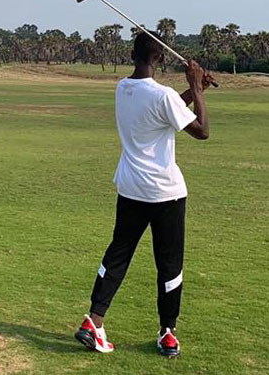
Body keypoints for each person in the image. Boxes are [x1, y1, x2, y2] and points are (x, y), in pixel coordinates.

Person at [74, 31, 213, 358]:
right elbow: (203, 131)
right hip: (166, 193)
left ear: (133, 54)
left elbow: (164, 110)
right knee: (169, 265)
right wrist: (195, 87)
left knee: (117, 255)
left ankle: (93, 321)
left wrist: (195, 92)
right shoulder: (162, 95)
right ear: (162, 59)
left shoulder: (123, 89)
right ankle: (168, 332)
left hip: (131, 188)